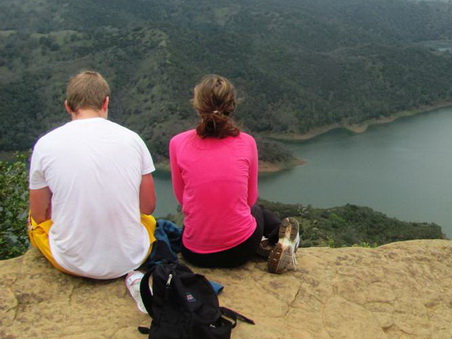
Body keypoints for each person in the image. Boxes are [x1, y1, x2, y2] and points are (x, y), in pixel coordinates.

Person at [28, 71, 158, 280]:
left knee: (33, 223)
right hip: (131, 257)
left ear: (68, 106)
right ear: (106, 103)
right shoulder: (133, 139)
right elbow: (147, 207)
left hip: (70, 262)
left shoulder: (45, 144)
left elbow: (39, 214)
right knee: (148, 220)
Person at [169, 74, 299, 272]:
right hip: (239, 251)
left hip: (194, 252)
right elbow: (249, 199)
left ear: (197, 106)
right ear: (232, 105)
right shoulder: (246, 142)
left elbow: (182, 198)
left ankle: (271, 242)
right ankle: (279, 239)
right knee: (257, 211)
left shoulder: (177, 143)